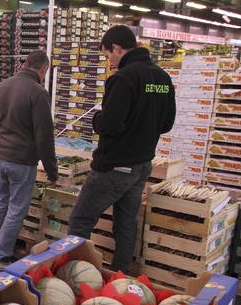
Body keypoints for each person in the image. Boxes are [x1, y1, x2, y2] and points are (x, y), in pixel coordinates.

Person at [68, 25, 176, 272]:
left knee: (81, 220)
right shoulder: (162, 78)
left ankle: (75, 274)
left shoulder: (123, 78)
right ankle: (120, 275)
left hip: (114, 165)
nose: (111, 63)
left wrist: (96, 119)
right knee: (126, 223)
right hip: (142, 165)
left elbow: (110, 124)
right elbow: (167, 124)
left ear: (117, 48)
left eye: (108, 56)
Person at [0, 50, 58, 271]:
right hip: (23, 160)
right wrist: (52, 170)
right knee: (17, 208)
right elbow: (44, 137)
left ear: (25, 63)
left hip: (2, 155)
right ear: (43, 69)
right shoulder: (38, 93)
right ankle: (0, 256)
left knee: (2, 201)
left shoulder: (1, 87)